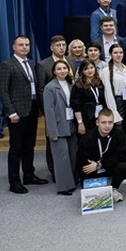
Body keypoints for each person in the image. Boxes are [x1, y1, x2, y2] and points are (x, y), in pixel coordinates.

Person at [77, 109, 126, 202]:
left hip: (109, 165)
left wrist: (100, 164)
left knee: (123, 166)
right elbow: (83, 158)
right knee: (86, 171)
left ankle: (113, 189)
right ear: (97, 122)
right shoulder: (88, 137)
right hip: (92, 167)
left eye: (110, 122)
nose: (107, 126)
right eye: (103, 122)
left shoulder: (119, 134)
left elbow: (121, 155)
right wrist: (94, 166)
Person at [43, 60, 77, 195]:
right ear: (54, 71)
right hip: (58, 126)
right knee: (61, 158)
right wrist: (53, 132)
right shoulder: (50, 87)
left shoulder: (70, 84)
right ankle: (64, 187)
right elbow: (49, 111)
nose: (62, 71)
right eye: (59, 69)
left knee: (72, 155)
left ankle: (72, 182)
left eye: (64, 68)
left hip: (71, 125)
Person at [71, 59, 117, 134]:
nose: (90, 71)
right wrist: (80, 123)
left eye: (91, 68)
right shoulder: (78, 85)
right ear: (82, 71)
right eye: (86, 69)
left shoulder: (99, 82)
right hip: (86, 118)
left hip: (99, 116)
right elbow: (76, 107)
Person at [102, 44, 126, 137]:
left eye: (120, 52)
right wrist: (114, 113)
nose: (118, 55)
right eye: (115, 53)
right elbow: (108, 93)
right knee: (118, 131)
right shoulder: (106, 71)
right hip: (117, 102)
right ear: (110, 54)